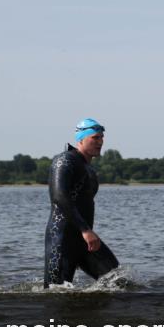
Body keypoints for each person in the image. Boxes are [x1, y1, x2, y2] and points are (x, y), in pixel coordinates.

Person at [44, 118, 120, 287]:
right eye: (95, 138)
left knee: (119, 282)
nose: (100, 142)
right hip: (62, 239)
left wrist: (86, 232)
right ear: (81, 139)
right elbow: (59, 196)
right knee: (55, 293)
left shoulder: (87, 167)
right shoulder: (64, 160)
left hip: (85, 240)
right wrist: (85, 229)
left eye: (101, 137)